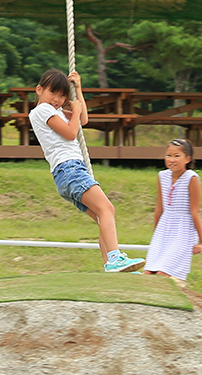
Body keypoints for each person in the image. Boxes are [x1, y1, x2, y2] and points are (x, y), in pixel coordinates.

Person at [30, 68, 145, 273]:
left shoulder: (54, 111)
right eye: (53, 93)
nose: (57, 99)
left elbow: (82, 120)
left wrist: (78, 90)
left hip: (66, 173)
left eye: (62, 95)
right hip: (69, 168)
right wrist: (74, 111)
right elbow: (71, 132)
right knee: (107, 209)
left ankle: (111, 263)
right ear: (39, 90)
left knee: (103, 216)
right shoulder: (42, 110)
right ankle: (113, 258)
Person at [144, 139, 202, 281]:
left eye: (177, 156)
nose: (172, 160)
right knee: (148, 273)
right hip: (165, 229)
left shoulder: (192, 178)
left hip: (183, 230)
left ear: (187, 159)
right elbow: (159, 207)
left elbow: (195, 211)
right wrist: (157, 235)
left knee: (162, 274)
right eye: (168, 155)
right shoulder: (162, 176)